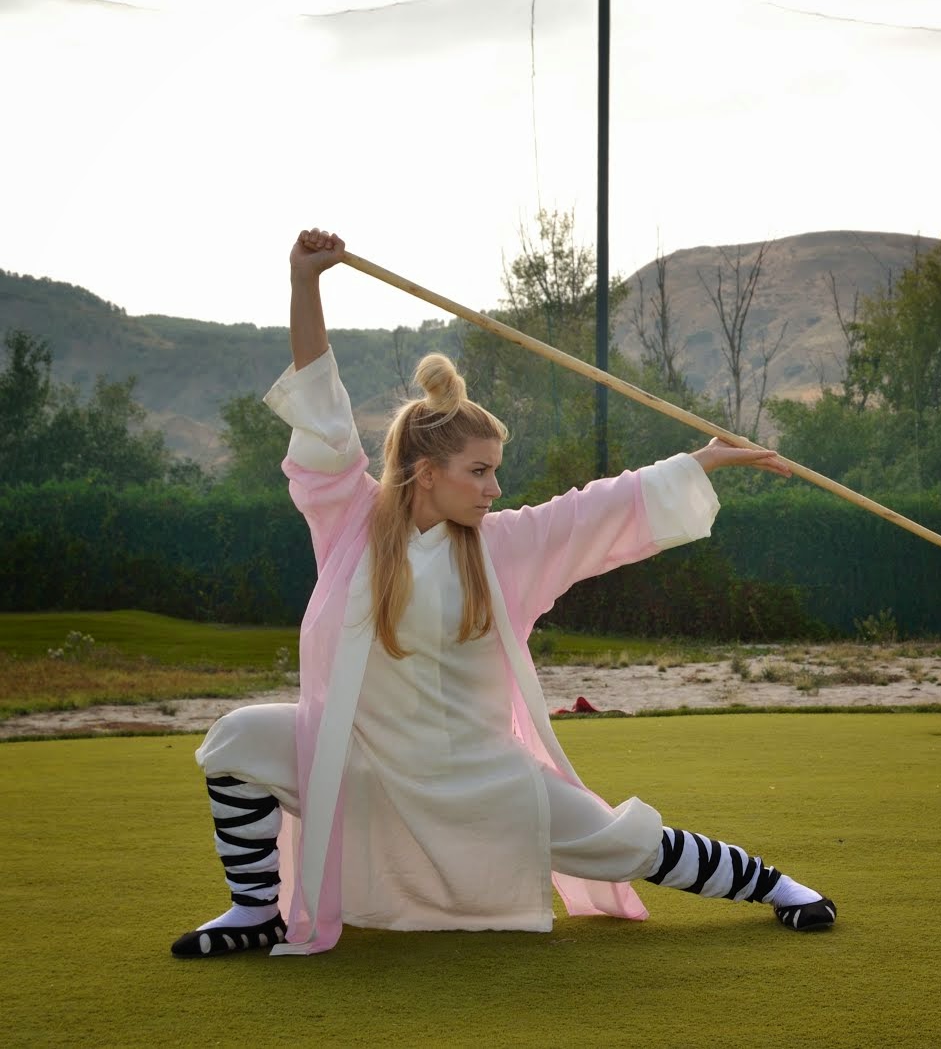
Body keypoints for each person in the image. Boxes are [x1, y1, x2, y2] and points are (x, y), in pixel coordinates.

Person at [170, 229, 835, 958]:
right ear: (427, 472)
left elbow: (598, 507)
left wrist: (705, 459)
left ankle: (778, 885)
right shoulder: (350, 520)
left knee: (617, 842)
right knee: (237, 739)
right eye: (479, 471)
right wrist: (306, 283)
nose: (494, 487)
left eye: (495, 471)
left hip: (482, 778)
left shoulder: (503, 544)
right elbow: (321, 403)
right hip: (362, 763)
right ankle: (252, 909)